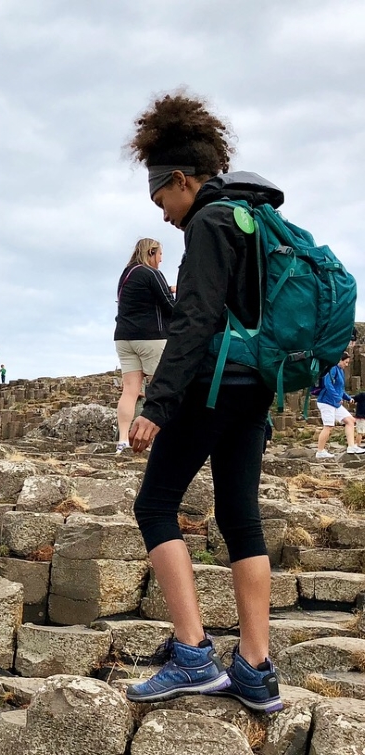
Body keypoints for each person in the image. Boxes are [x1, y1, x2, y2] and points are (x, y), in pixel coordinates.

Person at [122, 91, 286, 712]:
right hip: (257, 391)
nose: (163, 213)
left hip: (215, 387)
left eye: (161, 197)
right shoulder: (253, 219)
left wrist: (156, 408)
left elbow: (193, 321)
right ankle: (255, 668)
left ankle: (193, 654)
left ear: (183, 180)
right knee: (241, 518)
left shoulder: (211, 223)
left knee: (156, 504)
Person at [114, 238, 177, 454]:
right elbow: (169, 306)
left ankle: (123, 440)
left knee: (130, 391)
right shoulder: (152, 273)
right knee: (161, 386)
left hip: (123, 338)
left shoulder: (127, 274)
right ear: (151, 253)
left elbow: (141, 297)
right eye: (159, 255)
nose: (160, 261)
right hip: (151, 337)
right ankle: (160, 439)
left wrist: (169, 289)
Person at [315, 353, 363, 458]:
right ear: (339, 360)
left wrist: (348, 398)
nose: (346, 365)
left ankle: (351, 446)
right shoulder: (332, 369)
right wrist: (337, 398)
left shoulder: (340, 371)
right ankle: (320, 451)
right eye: (345, 362)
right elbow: (328, 384)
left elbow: (340, 389)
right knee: (328, 426)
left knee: (350, 420)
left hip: (335, 403)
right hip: (326, 402)